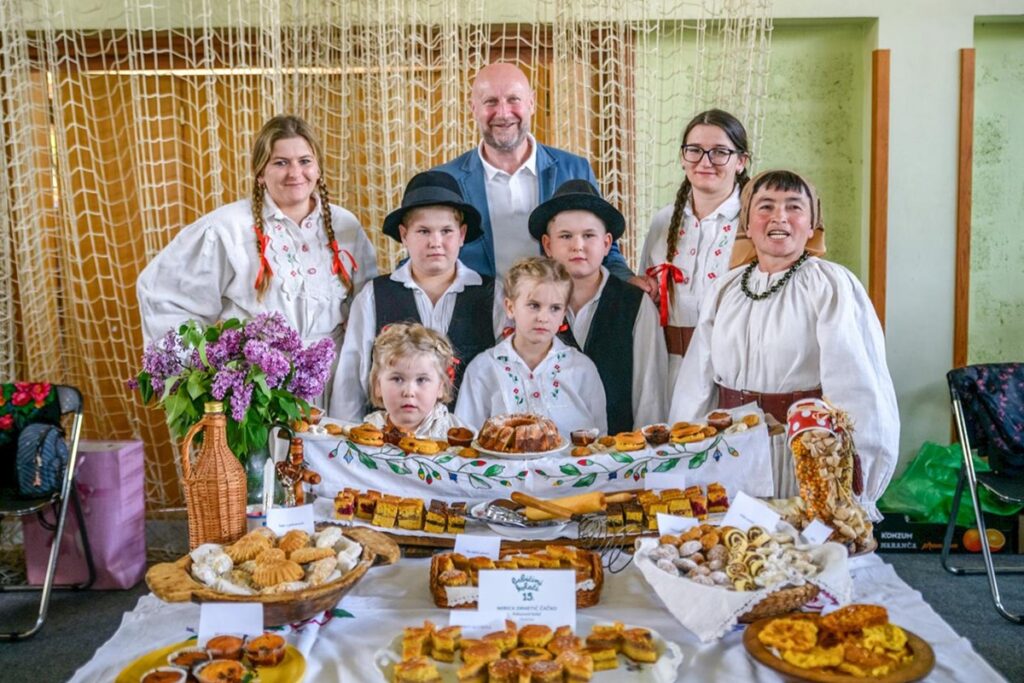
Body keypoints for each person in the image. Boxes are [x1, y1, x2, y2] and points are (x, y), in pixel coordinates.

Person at [669, 169, 898, 519]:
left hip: (805, 457)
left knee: (801, 547)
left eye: (794, 207)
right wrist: (685, 459)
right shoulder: (726, 289)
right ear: (747, 224)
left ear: (812, 225)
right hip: (731, 454)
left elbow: (858, 387)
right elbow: (695, 383)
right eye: (765, 206)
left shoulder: (831, 286)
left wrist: (859, 484)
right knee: (736, 545)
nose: (779, 217)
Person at [137, 115, 378, 406]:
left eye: (304, 161)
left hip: (337, 388)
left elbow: (367, 305)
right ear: (260, 172)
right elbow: (165, 294)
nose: (295, 173)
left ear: (318, 169)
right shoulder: (227, 228)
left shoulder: (345, 225)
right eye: (281, 163)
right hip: (258, 392)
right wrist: (204, 373)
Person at [435, 62, 642, 287]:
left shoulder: (575, 169)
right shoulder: (447, 180)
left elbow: (605, 251)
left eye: (514, 99)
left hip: (560, 307)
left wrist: (630, 281)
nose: (503, 113)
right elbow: (422, 258)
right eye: (490, 101)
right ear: (473, 108)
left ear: (531, 103)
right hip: (477, 309)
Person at [328, 171, 506, 422]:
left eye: (446, 231)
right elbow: (350, 383)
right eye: (423, 231)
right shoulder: (374, 296)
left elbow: (506, 374)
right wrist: (345, 437)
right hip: (390, 440)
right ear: (404, 235)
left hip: (471, 438)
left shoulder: (493, 295)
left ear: (462, 234)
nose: (435, 242)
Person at [530, 179, 668, 432]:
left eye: (589, 235)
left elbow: (650, 394)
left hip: (620, 449)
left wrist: (644, 448)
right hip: (548, 449)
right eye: (566, 236)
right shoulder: (531, 306)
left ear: (606, 244)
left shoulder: (634, 304)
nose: (578, 246)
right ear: (548, 245)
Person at [639, 109, 753, 385]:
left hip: (730, 370)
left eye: (719, 152)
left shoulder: (753, 223)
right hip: (667, 368)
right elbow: (646, 297)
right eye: (695, 150)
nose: (705, 162)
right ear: (682, 157)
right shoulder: (664, 221)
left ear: (741, 161)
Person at [455, 257, 607, 437]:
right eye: (534, 306)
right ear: (510, 307)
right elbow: (465, 437)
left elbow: (599, 439)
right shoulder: (483, 369)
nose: (543, 317)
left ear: (563, 315)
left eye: (555, 308)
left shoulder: (582, 368)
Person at [362, 323, 465, 439]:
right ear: (378, 385)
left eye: (421, 380)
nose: (409, 392)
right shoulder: (368, 429)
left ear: (441, 387)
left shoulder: (458, 434)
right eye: (397, 379)